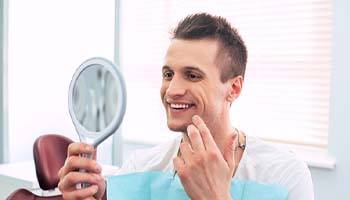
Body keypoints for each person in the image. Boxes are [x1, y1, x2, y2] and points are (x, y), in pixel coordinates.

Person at [58, 13, 314, 200]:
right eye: (168, 74)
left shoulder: (285, 176)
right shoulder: (139, 169)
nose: (171, 90)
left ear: (233, 88)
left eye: (192, 75)